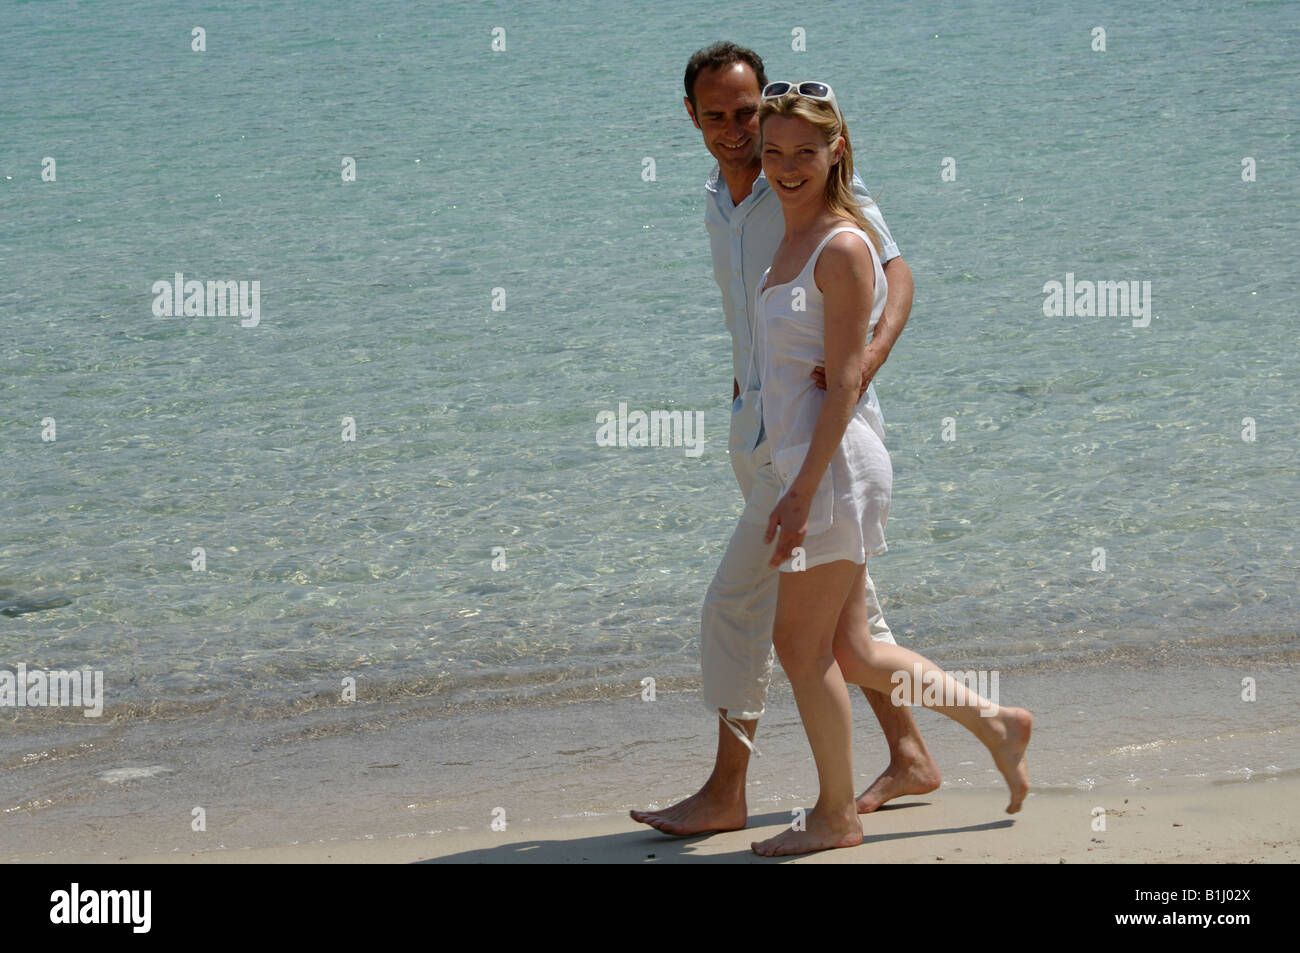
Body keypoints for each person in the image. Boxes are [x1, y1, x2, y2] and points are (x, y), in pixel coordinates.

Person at [631, 42, 937, 838]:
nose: (733, 129)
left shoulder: (803, 171)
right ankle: (913, 752)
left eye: (744, 111)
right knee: (847, 621)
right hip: (756, 432)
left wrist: (865, 363)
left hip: (816, 438)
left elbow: (896, 271)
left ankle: (728, 791)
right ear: (692, 118)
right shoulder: (721, 193)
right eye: (717, 116)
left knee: (738, 607)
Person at [748, 80, 1032, 856]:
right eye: (773, 152)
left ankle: (836, 813)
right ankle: (996, 722)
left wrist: (801, 492)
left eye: (805, 153)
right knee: (857, 652)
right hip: (821, 463)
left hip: (832, 469)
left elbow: (844, 379)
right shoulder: (791, 234)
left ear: (837, 151)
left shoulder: (841, 244)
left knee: (800, 650)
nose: (786, 167)